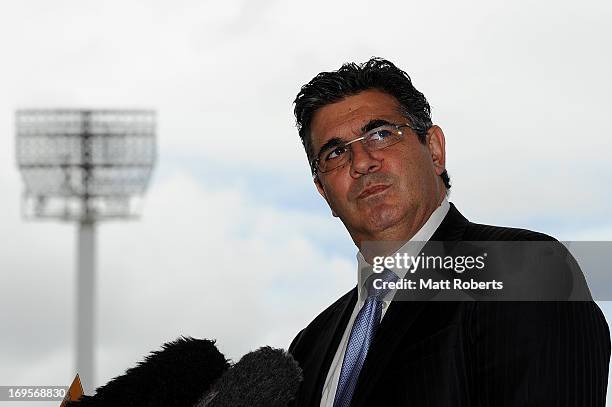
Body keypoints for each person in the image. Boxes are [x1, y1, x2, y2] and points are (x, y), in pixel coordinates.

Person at [287, 57, 610, 406]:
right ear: (324, 192)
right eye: (335, 152)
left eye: (380, 134)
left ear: (435, 150)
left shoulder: (525, 272)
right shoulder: (308, 347)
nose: (362, 161)